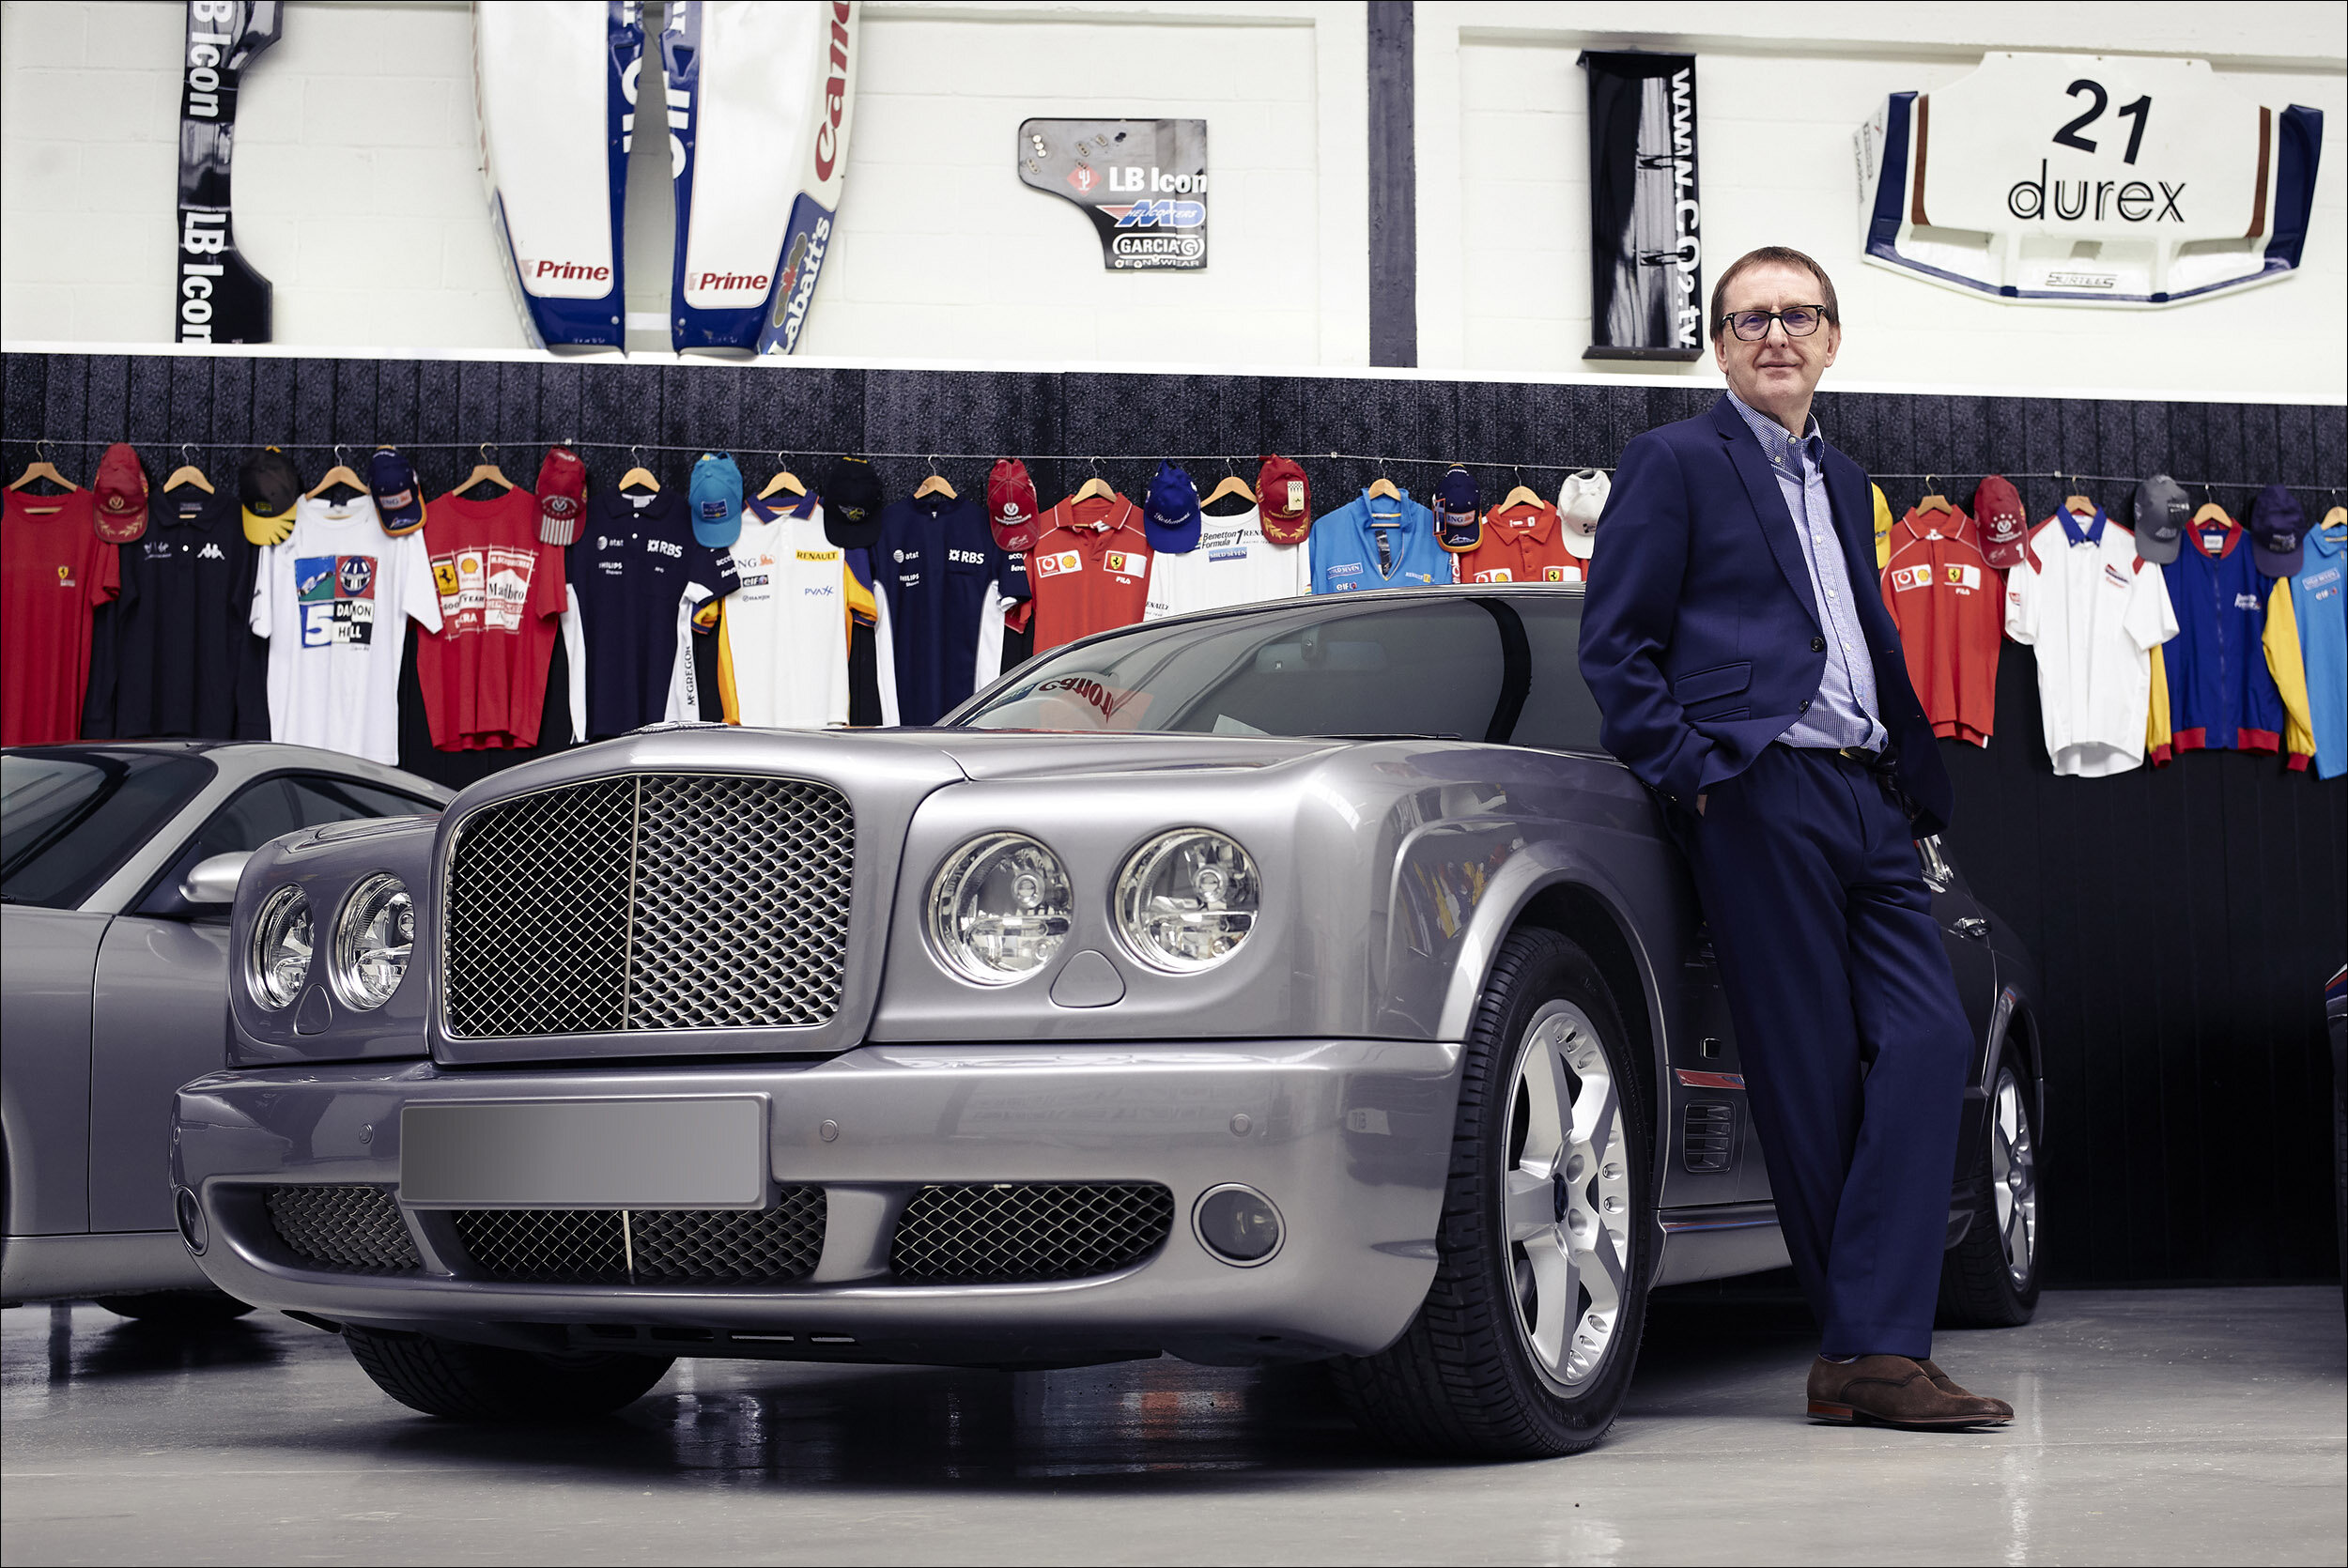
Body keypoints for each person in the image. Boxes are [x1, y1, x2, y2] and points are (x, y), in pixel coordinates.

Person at [1578, 245, 2012, 1430]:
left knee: (1927, 1042)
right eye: (1750, 318)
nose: (1775, 334)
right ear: (1720, 344)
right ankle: (1869, 1353)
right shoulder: (1672, 461)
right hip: (1756, 788)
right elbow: (1614, 645)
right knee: (1811, 1072)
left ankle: (1866, 1343)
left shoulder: (1848, 479)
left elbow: (1857, 636)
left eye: (1798, 315)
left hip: (1870, 799)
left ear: (1831, 338)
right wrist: (1700, 776)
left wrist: (1909, 782)